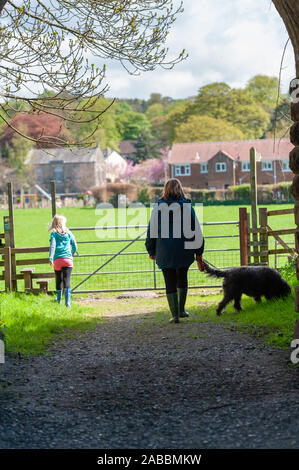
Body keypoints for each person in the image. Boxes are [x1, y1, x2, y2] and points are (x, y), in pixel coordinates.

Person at [146, 178, 204, 323]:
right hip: (184, 249)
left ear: (165, 190)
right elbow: (196, 229)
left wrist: (151, 250)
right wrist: (199, 252)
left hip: (164, 250)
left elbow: (152, 231)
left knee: (169, 280)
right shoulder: (187, 207)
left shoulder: (158, 208)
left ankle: (175, 315)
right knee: (182, 277)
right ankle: (182, 309)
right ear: (180, 189)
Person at [49, 215, 77, 307]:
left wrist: (51, 258)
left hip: (57, 260)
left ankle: (59, 301)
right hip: (68, 260)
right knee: (66, 280)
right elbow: (74, 244)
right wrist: (72, 253)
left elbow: (52, 246)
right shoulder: (68, 233)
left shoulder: (53, 234)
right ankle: (68, 303)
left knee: (59, 280)